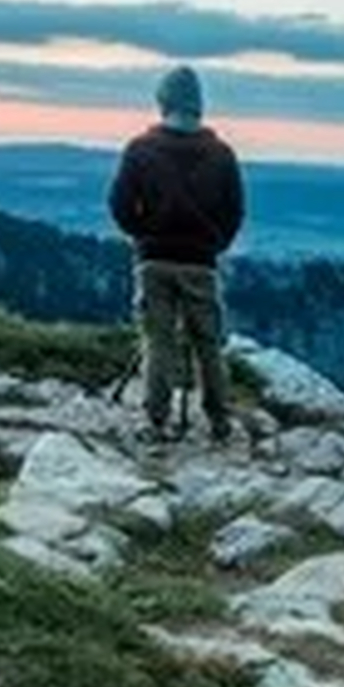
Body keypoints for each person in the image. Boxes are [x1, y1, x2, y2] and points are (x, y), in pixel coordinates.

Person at [108, 65, 246, 445]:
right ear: (198, 106)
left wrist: (142, 235)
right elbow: (234, 212)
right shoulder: (222, 155)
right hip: (201, 262)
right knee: (208, 344)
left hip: (153, 260)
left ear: (163, 102)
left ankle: (155, 420)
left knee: (158, 342)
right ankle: (220, 422)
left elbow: (119, 205)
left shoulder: (139, 149)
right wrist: (214, 244)